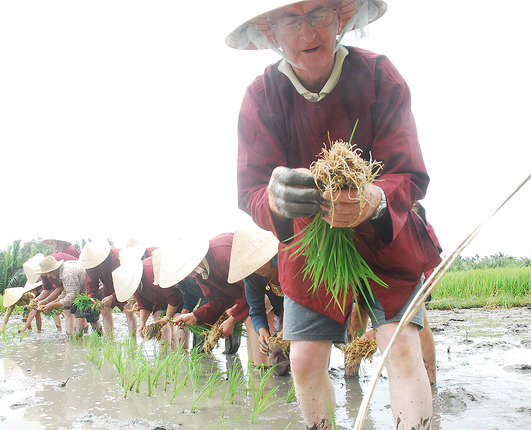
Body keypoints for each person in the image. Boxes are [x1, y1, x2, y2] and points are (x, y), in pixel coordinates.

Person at [228, 1, 442, 428]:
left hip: (386, 234)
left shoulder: (379, 76)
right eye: (291, 19)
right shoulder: (262, 96)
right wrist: (275, 199)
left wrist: (372, 197)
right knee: (305, 359)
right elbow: (251, 189)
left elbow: (409, 172)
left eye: (319, 14)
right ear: (271, 33)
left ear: (340, 18)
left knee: (399, 346)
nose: (308, 32)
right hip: (311, 244)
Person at [156, 233, 249, 355]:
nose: (185, 277)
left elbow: (250, 288)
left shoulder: (221, 254)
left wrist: (232, 319)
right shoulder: (201, 275)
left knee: (251, 320)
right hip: (247, 298)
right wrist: (194, 316)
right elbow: (220, 300)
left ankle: (260, 369)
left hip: (268, 287)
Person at [227, 226, 284, 368]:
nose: (257, 269)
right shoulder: (252, 278)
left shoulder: (286, 263)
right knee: (280, 367)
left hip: (306, 310)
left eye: (259, 261)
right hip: (282, 313)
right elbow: (256, 310)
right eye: (251, 265)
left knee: (305, 359)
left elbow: (301, 299)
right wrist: (262, 330)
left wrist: (291, 326)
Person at [112, 255, 188, 349]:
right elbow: (144, 303)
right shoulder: (135, 284)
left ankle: (183, 354)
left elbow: (175, 297)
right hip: (164, 298)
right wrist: (142, 323)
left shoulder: (151, 274)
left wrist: (166, 318)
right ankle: (164, 351)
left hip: (181, 291)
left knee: (178, 318)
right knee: (158, 316)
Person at [78, 239, 138, 337]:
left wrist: (112, 297)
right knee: (104, 310)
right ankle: (109, 340)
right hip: (108, 285)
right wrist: (91, 297)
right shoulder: (91, 263)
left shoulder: (116, 256)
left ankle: (133, 341)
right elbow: (91, 282)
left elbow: (125, 279)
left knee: (128, 310)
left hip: (124, 285)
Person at [34, 255, 90, 335]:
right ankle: (81, 340)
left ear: (54, 270)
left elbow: (72, 295)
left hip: (91, 291)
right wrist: (53, 303)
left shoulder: (67, 274)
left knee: (84, 316)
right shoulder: (62, 271)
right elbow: (66, 290)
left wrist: (54, 305)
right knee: (86, 316)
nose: (48, 276)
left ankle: (80, 342)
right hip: (82, 291)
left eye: (48, 273)